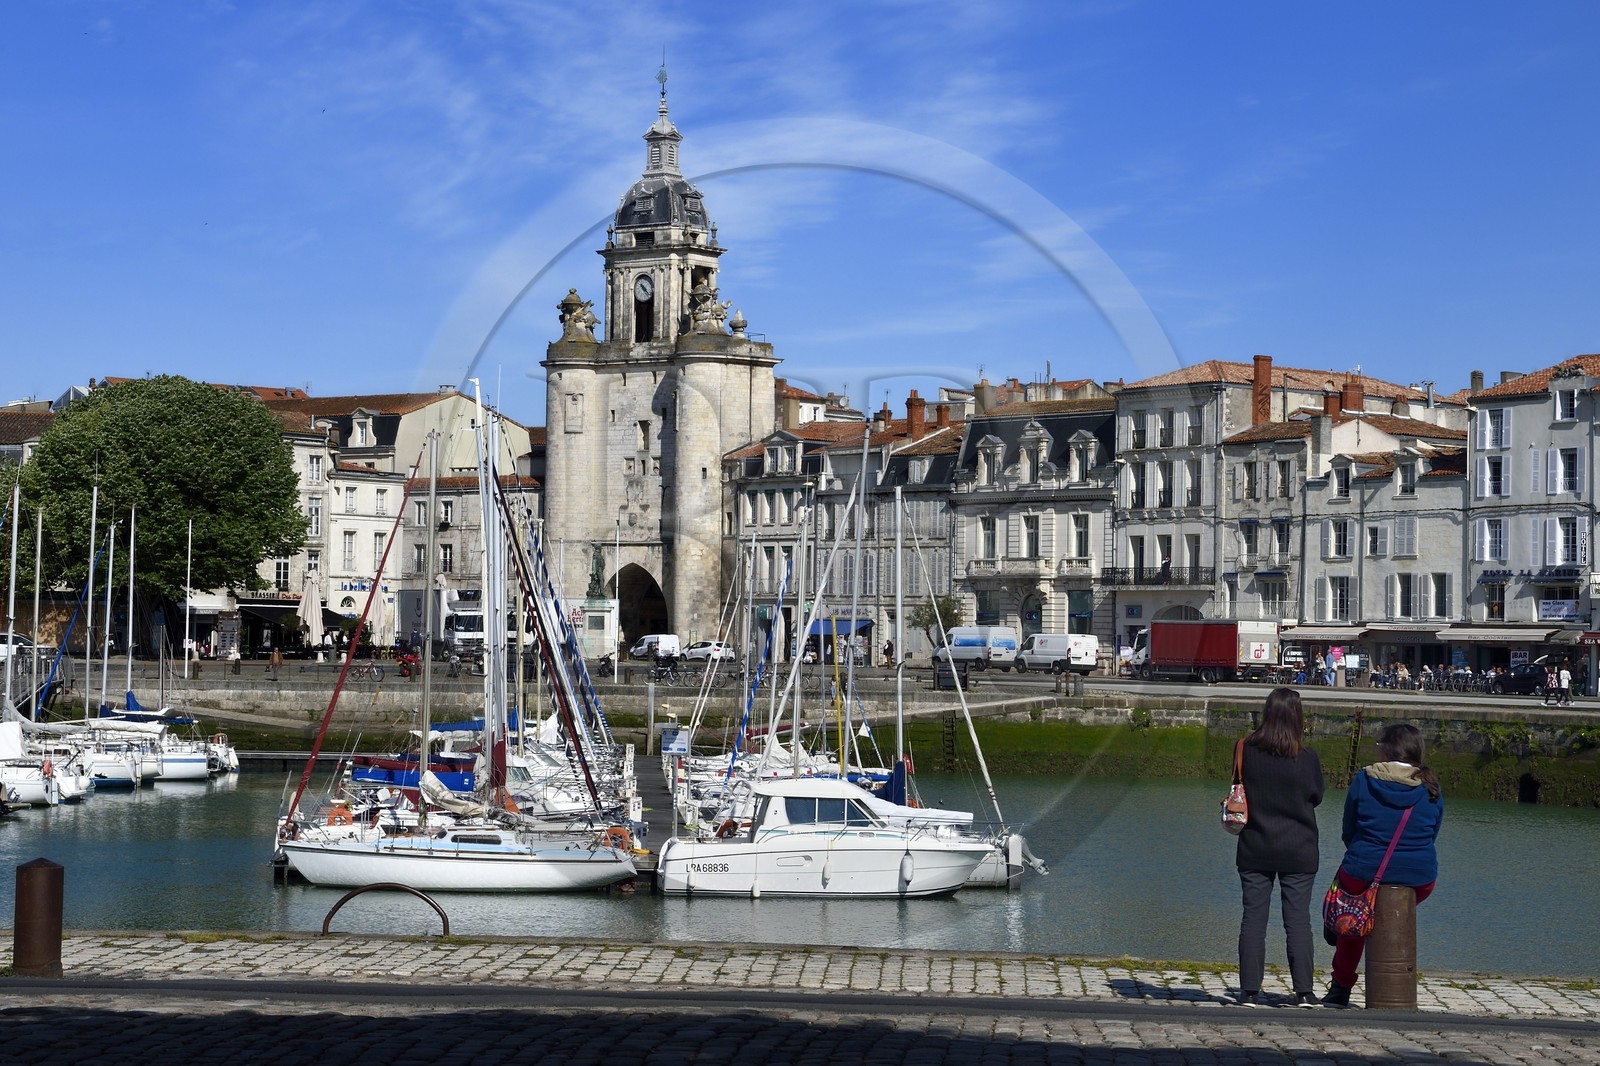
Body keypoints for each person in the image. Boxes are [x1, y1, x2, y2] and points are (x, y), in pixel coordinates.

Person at [1324, 723, 1444, 1008]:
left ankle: (1340, 985)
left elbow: (1348, 830)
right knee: (1369, 908)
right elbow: (1433, 832)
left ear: (1388, 749)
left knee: (1354, 912)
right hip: (1420, 878)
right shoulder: (1430, 785)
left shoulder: (1365, 779)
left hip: (1363, 871)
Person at [1232, 687, 1325, 1008]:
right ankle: (1304, 992)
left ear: (1266, 713)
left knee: (1253, 918)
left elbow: (1236, 786)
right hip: (1298, 848)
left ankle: (1249, 991)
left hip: (1255, 845)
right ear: (1298, 717)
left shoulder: (1246, 749)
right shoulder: (1307, 758)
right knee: (1298, 920)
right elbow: (1317, 796)